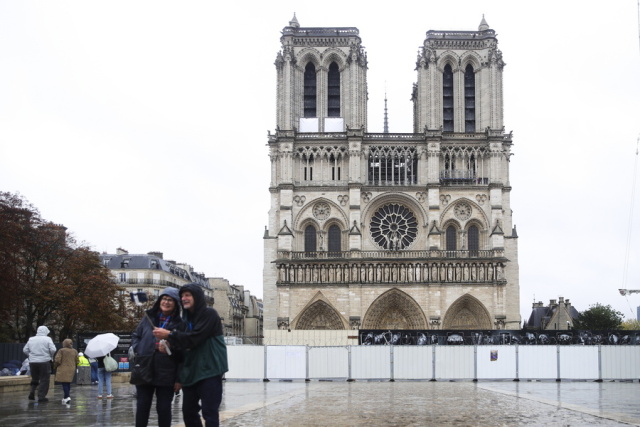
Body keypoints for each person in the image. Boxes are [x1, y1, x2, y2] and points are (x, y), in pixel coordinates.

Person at [153, 283, 228, 427]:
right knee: (188, 412)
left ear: (197, 297)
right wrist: (170, 348)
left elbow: (195, 338)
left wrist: (170, 334)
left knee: (210, 413)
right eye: (182, 296)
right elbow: (182, 348)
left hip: (209, 371)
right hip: (191, 373)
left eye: (188, 295)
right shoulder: (185, 321)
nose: (183, 298)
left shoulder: (209, 314)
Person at [131, 287, 184, 427]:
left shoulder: (180, 324)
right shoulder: (148, 317)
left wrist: (170, 346)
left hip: (167, 371)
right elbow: (136, 336)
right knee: (142, 406)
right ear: (159, 300)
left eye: (170, 300)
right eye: (164, 299)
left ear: (176, 304)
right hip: (145, 367)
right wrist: (140, 348)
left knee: (164, 408)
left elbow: (183, 352)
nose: (166, 302)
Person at [23, 325, 57, 402]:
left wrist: (31, 355)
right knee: (44, 379)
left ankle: (32, 392)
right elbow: (53, 349)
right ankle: (41, 396)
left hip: (33, 362)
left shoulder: (31, 339)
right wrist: (50, 356)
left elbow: (25, 350)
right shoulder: (47, 339)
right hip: (44, 361)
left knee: (34, 378)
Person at [54, 338, 78, 404]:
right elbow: (77, 360)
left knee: (64, 383)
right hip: (71, 368)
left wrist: (56, 365)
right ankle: (65, 397)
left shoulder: (61, 350)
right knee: (68, 383)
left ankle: (67, 396)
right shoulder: (75, 351)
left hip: (63, 368)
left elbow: (57, 360)